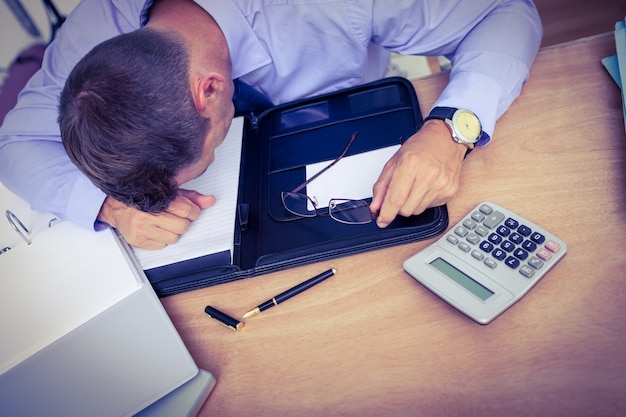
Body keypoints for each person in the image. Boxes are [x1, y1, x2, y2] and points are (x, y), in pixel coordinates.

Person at [0, 0, 542, 250]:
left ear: (209, 90)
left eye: (202, 160)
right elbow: (14, 143)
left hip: (352, 115)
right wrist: (110, 207)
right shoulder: (92, 32)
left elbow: (506, 13)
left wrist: (451, 131)